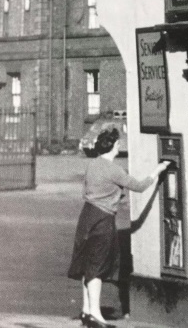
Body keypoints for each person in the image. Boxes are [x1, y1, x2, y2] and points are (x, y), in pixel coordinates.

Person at [67, 128, 172, 328]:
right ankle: (96, 316)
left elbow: (86, 191)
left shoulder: (92, 165)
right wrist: (158, 170)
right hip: (103, 219)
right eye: (117, 144)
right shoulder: (114, 169)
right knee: (97, 267)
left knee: (88, 265)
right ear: (114, 146)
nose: (119, 146)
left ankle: (86, 310)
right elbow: (139, 186)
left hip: (86, 216)